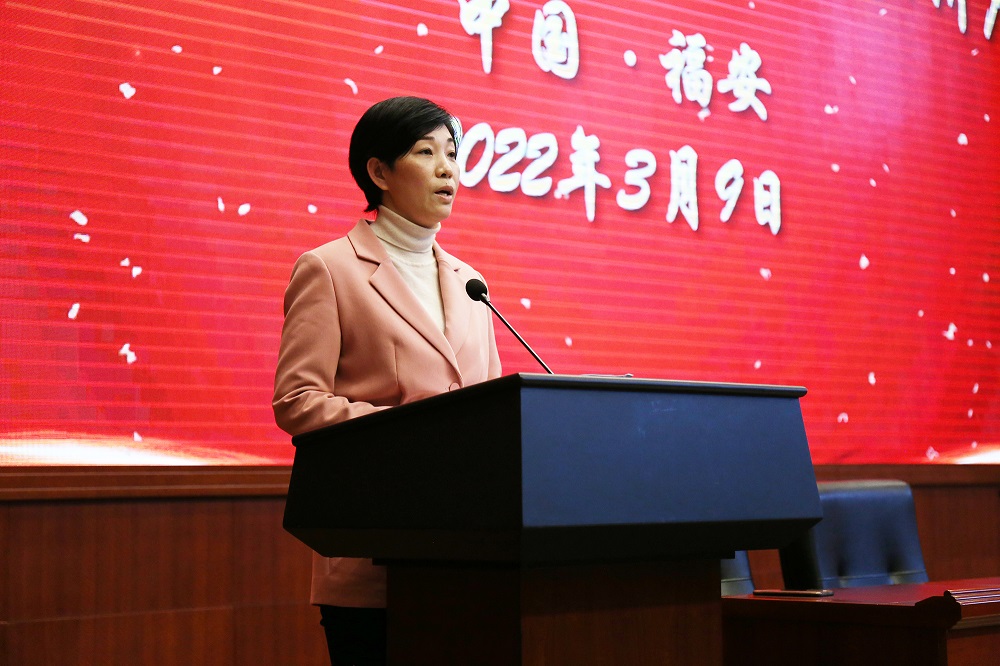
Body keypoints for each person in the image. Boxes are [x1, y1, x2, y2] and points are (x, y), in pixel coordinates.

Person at [272, 96, 502, 665]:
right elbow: (298, 401)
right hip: (373, 551)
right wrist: (407, 433)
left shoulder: (471, 283)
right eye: (426, 153)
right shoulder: (330, 268)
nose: (448, 169)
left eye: (452, 154)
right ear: (378, 172)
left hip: (471, 561)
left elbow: (494, 410)